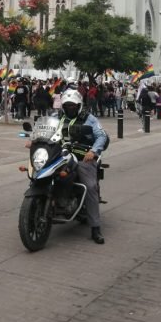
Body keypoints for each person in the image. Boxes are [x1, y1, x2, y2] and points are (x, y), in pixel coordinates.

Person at [57, 88, 108, 244]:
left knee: (90, 186)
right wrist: (34, 139)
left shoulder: (89, 119)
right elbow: (46, 130)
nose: (69, 108)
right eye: (67, 106)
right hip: (60, 155)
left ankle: (95, 228)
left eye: (72, 105)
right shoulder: (57, 117)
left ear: (78, 105)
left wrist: (93, 151)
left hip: (83, 157)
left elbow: (101, 136)